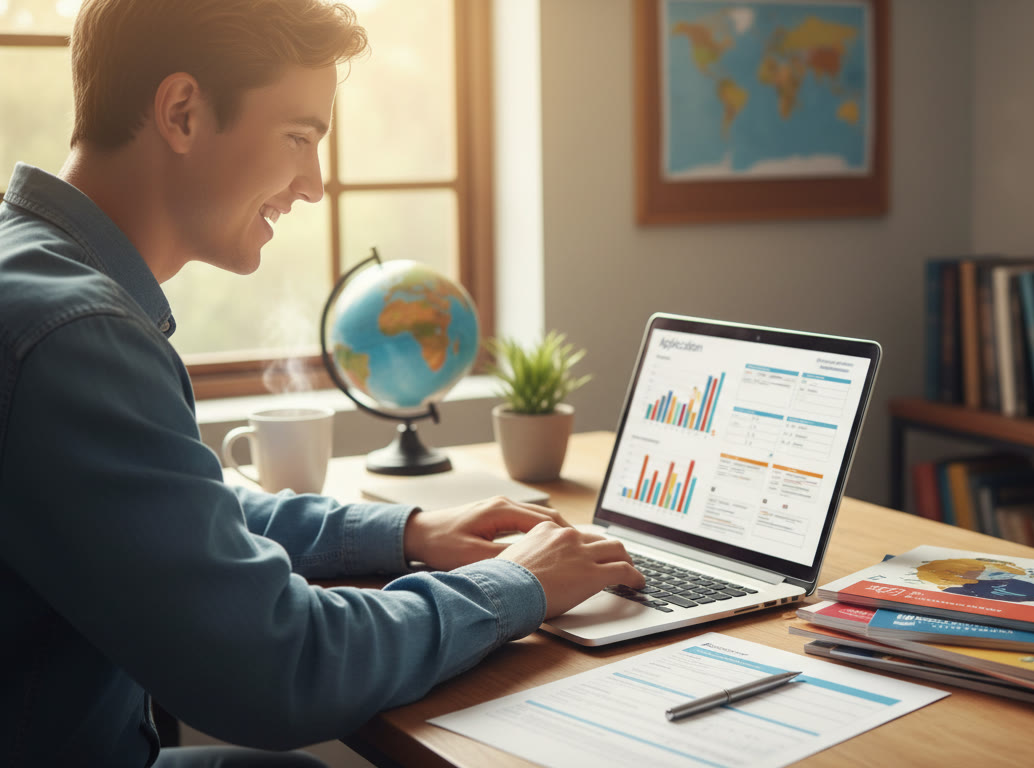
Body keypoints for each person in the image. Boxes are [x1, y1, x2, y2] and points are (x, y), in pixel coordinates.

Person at [0, 2, 644, 766]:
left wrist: (402, 533)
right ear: (181, 112)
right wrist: (516, 585)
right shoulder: (76, 336)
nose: (314, 183)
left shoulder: (34, 274)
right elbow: (277, 667)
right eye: (299, 137)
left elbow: (175, 509)